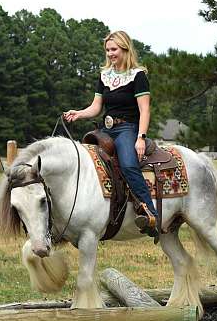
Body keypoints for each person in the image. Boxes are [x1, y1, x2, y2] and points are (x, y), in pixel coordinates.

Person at [63, 31, 158, 237]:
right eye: (107, 50)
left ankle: (150, 213)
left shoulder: (138, 75)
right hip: (105, 129)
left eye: (113, 49)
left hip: (127, 129)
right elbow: (96, 107)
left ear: (125, 49)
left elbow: (145, 110)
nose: (110, 54)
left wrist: (140, 138)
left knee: (128, 165)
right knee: (86, 160)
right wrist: (78, 113)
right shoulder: (104, 75)